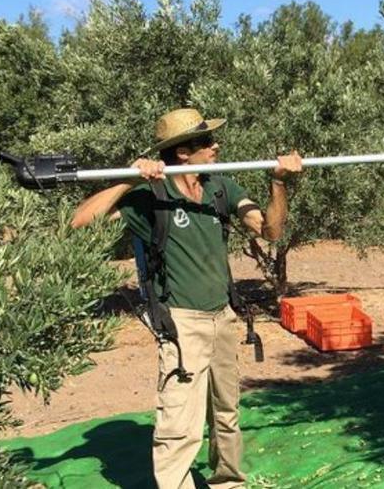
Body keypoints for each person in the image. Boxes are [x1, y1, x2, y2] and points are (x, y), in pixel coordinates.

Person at [71, 108, 303, 488]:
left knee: (226, 413)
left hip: (223, 317)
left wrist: (278, 183)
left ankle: (228, 481)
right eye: (206, 141)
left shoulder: (218, 188)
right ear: (182, 152)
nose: (216, 146)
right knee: (180, 424)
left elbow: (270, 231)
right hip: (182, 324)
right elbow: (79, 223)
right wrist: (127, 179)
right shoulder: (149, 194)